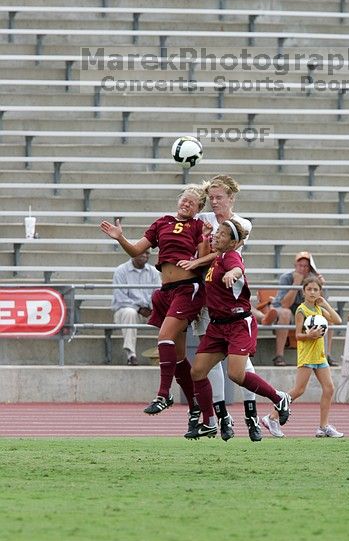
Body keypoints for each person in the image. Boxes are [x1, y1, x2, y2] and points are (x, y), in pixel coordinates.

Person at [100, 186, 211, 417]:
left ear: (199, 208)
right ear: (178, 200)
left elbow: (205, 260)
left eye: (192, 203)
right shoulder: (161, 223)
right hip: (166, 292)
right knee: (179, 358)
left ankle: (163, 394)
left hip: (187, 289)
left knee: (164, 337)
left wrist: (204, 244)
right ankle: (194, 411)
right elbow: (136, 250)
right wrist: (120, 237)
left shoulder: (199, 226)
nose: (186, 204)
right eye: (184, 200)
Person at [187, 219, 292, 440]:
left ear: (234, 242)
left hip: (237, 324)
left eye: (223, 235)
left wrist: (232, 274)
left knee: (236, 374)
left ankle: (279, 397)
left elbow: (237, 267)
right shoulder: (216, 258)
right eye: (217, 232)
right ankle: (209, 422)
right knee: (197, 372)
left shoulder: (230, 256)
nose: (217, 236)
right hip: (217, 326)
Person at [177, 174, 263, 442]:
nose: (214, 202)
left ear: (231, 198)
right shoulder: (202, 221)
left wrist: (197, 261)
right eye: (211, 198)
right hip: (206, 296)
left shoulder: (241, 223)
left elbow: (226, 252)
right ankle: (218, 418)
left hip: (231, 299)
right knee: (209, 360)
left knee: (242, 363)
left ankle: (252, 415)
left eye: (219, 197)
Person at [262, 274, 344, 439]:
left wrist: (325, 303)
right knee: (298, 390)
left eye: (316, 289)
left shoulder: (320, 309)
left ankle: (323, 426)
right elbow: (298, 335)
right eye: (309, 289)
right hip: (307, 355)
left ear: (320, 291)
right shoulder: (301, 310)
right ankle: (271, 417)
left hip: (320, 356)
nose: (312, 292)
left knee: (329, 388)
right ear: (303, 292)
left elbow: (338, 320)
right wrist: (310, 335)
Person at [261, 250, 336, 367]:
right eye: (300, 265)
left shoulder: (314, 280)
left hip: (306, 311)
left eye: (306, 266)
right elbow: (285, 304)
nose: (303, 269)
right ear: (295, 266)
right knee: (285, 313)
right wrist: (296, 284)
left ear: (310, 268)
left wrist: (322, 287)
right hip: (287, 310)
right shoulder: (286, 277)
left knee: (328, 318)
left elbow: (322, 302)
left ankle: (327, 355)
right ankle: (279, 356)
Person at [111, 250, 161, 366]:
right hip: (124, 311)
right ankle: (131, 355)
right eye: (141, 253)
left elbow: (158, 294)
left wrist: (151, 308)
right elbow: (120, 297)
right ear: (133, 254)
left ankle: (163, 353)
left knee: (167, 315)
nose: (145, 255)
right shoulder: (121, 271)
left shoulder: (153, 272)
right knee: (130, 312)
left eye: (147, 253)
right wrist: (138, 308)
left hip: (148, 311)